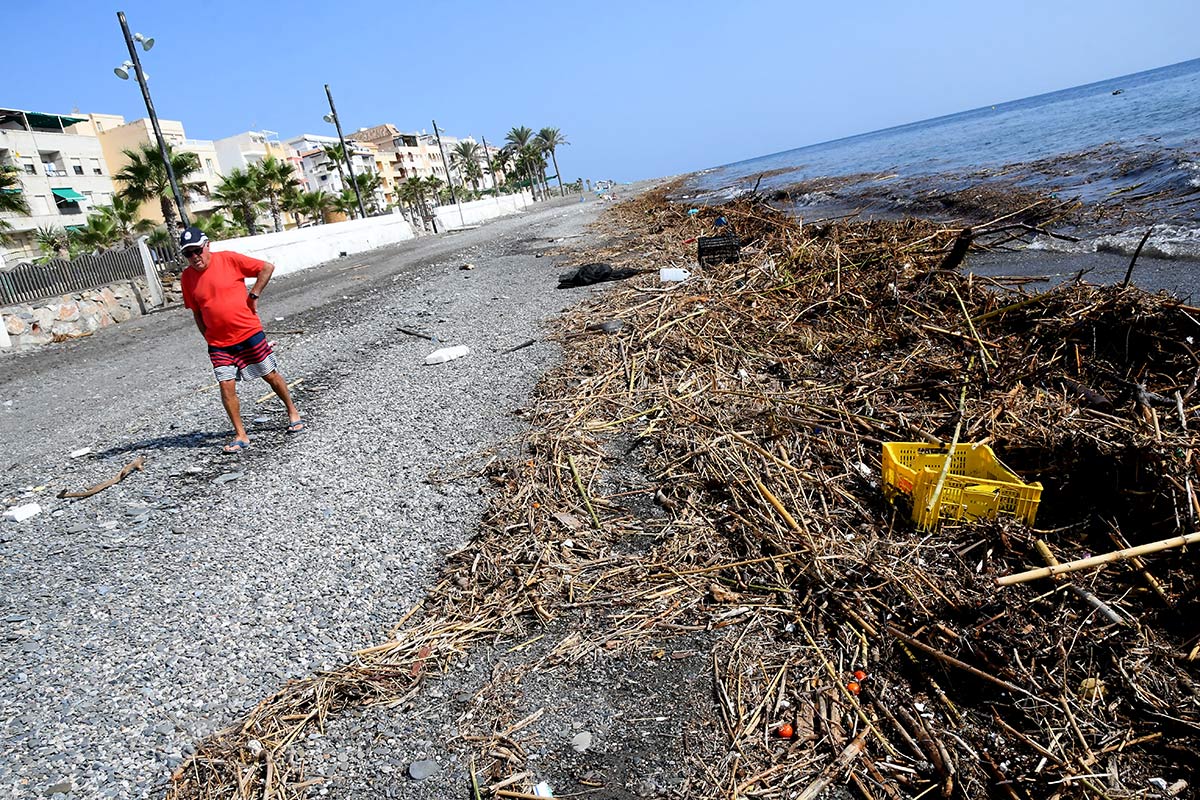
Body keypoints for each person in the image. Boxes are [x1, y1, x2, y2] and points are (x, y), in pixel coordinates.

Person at [179, 226, 303, 453]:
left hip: (248, 333)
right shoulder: (187, 278)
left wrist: (253, 295)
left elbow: (266, 268)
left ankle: (292, 411)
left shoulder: (228, 259)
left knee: (269, 375)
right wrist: (207, 336)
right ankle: (241, 435)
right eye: (188, 254)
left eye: (197, 250)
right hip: (218, 343)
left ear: (207, 246)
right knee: (226, 386)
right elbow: (196, 311)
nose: (195, 257)